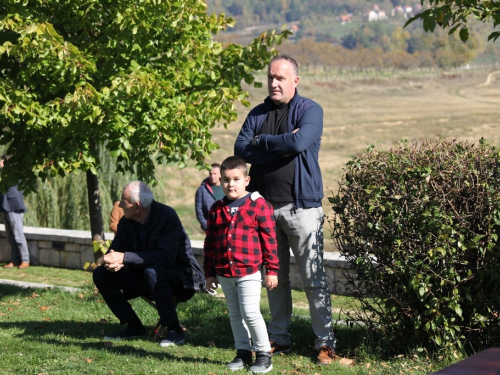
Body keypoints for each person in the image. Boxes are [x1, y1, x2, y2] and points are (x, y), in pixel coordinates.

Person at [234, 54, 336, 365]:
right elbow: (240, 148)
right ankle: (278, 338)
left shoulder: (310, 110)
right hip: (263, 209)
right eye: (270, 77)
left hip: (301, 207)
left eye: (280, 78)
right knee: (273, 277)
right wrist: (280, 142)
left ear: (295, 80)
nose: (274, 83)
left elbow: (298, 143)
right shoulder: (258, 112)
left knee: (313, 277)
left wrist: (262, 142)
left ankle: (325, 343)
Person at [93, 181, 205, 347]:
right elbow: (115, 251)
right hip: (143, 277)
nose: (120, 205)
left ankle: (174, 330)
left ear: (137, 206)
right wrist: (110, 260)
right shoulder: (126, 222)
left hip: (179, 278)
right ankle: (133, 326)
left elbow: (166, 258)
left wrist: (125, 258)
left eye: (124, 201)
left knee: (153, 271)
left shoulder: (167, 217)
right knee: (101, 274)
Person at [203, 156, 279, 374]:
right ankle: (242, 352)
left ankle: (264, 354)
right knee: (235, 313)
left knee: (250, 312)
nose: (231, 184)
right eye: (226, 180)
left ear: (247, 179)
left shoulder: (258, 206)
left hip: (249, 271)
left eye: (236, 179)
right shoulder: (217, 208)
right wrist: (209, 273)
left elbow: (270, 241)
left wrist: (271, 270)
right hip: (225, 272)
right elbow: (210, 243)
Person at [1, 154, 30, 270]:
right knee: (10, 236)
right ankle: (14, 260)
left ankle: (25, 260)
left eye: (2, 160)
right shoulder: (3, 174)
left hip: (14, 206)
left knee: (18, 235)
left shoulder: (16, 172)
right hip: (5, 206)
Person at [195, 163, 224, 231]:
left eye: (215, 174)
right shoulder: (202, 190)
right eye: (210, 173)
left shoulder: (227, 187)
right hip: (210, 227)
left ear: (220, 174)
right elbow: (199, 210)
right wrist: (206, 226)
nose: (212, 176)